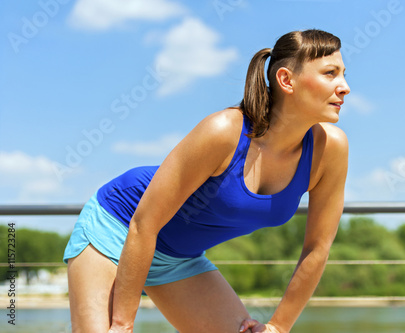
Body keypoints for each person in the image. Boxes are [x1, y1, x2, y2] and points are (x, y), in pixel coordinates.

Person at [63, 28, 350, 333]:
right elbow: (144, 223)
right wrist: (122, 324)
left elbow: (317, 248)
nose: (344, 87)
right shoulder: (224, 130)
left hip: (179, 259)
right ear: (286, 80)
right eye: (330, 73)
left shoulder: (330, 150)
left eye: (344, 74)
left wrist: (278, 327)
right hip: (118, 231)